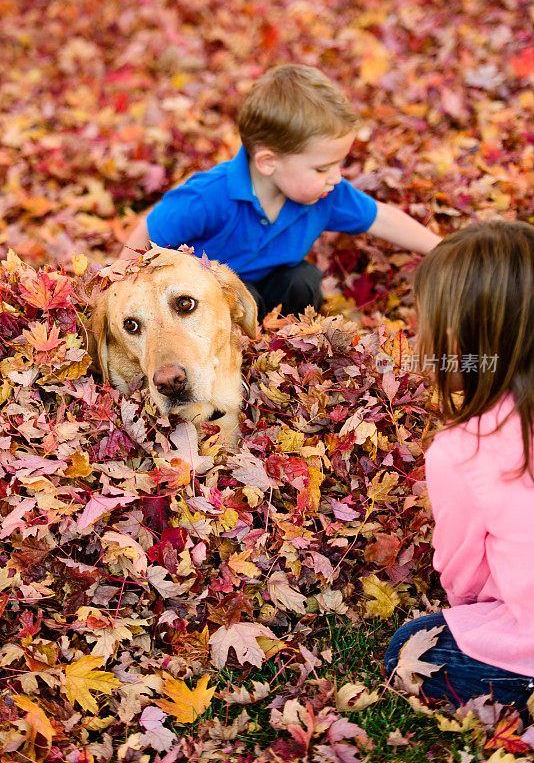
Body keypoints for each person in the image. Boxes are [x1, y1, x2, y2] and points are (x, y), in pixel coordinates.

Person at [119, 64, 440, 321]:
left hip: (266, 285)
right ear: (269, 162)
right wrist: (119, 288)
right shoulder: (208, 197)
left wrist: (441, 248)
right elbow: (149, 230)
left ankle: (285, 342)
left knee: (303, 281)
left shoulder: (326, 195)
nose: (336, 177)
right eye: (322, 168)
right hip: (202, 297)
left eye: (337, 164)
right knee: (241, 298)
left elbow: (381, 219)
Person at [384, 220, 534, 714]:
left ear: (454, 337)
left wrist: (475, 610)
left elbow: (463, 573)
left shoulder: (465, 446)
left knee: (411, 650)